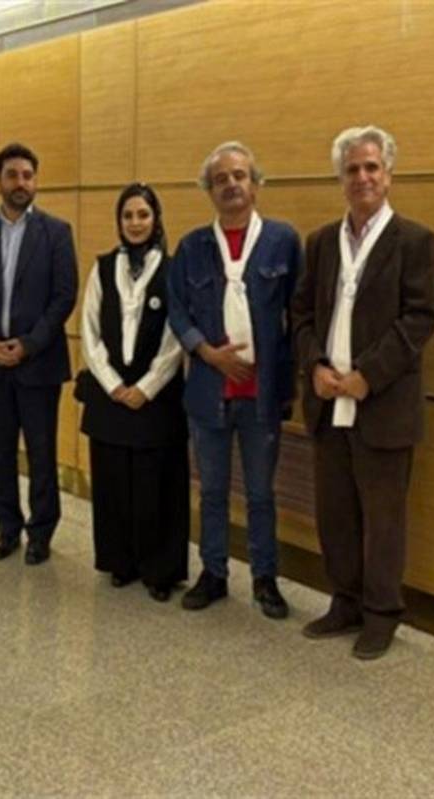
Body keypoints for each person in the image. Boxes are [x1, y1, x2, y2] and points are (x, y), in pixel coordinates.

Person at [292, 125, 434, 659]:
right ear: (341, 178)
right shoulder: (321, 242)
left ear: (388, 173)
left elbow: (421, 318)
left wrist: (368, 375)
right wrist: (314, 365)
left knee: (383, 518)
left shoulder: (415, 242)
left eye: (371, 167)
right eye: (352, 169)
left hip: (383, 404)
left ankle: (381, 613)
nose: (362, 177)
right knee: (336, 512)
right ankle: (345, 601)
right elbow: (301, 314)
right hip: (328, 399)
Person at [166, 141, 301, 619]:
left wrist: (289, 379)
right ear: (209, 190)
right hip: (209, 393)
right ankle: (214, 572)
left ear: (255, 184)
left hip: (262, 397)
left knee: (261, 494)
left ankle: (265, 577)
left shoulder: (282, 241)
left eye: (239, 175)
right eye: (220, 179)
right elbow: (177, 310)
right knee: (213, 492)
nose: (231, 185)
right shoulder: (192, 247)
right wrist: (207, 353)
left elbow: (299, 314)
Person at [0, 143, 78, 566]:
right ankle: (7, 528)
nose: (20, 182)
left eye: (27, 175)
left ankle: (41, 532)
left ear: (35, 181)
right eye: (12, 175)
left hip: (39, 362)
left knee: (42, 452)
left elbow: (64, 297)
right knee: (0, 450)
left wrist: (28, 344)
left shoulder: (56, 232)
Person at [79, 183, 187, 601]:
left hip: (156, 399)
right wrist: (112, 384)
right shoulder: (103, 267)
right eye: (128, 216)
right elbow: (89, 331)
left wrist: (146, 387)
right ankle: (119, 562)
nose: (136, 223)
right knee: (113, 484)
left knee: (156, 486)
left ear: (155, 219)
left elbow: (177, 336)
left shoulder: (173, 270)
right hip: (110, 396)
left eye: (143, 214)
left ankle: (160, 570)